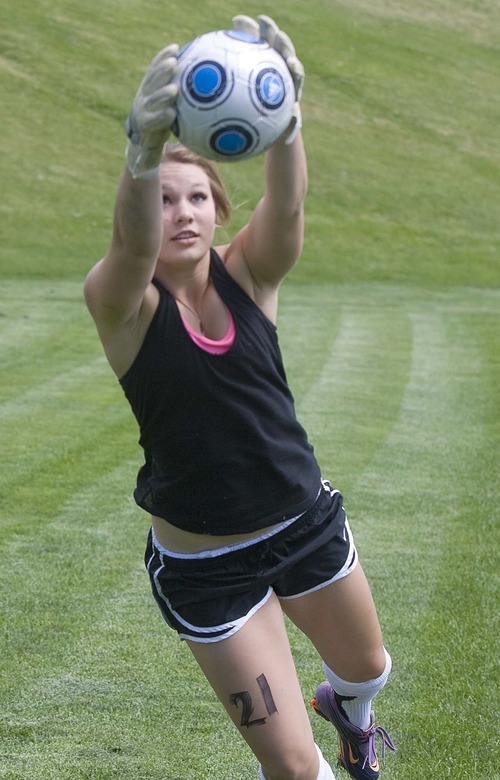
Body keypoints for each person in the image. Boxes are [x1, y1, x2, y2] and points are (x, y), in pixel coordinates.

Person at [84, 13, 395, 780]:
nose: (181, 213)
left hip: (302, 520)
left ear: (219, 209)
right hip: (207, 567)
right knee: (293, 770)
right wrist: (141, 151)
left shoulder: (248, 276)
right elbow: (130, 247)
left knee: (369, 669)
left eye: (196, 197)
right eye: (164, 199)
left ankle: (349, 714)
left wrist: (288, 123)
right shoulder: (123, 306)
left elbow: (285, 210)